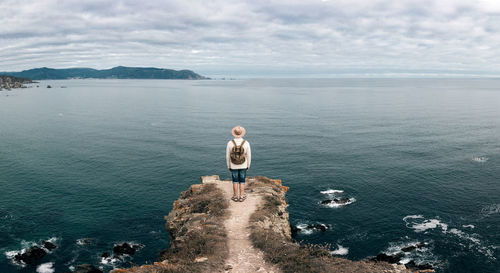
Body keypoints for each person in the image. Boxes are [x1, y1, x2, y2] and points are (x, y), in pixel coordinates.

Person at [226, 126, 251, 202]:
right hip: (243, 164)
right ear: (242, 134)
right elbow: (248, 155)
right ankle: (241, 196)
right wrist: (248, 165)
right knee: (242, 181)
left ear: (234, 134)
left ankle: (235, 196)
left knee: (235, 181)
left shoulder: (230, 143)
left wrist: (228, 166)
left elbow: (227, 156)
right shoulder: (246, 143)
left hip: (233, 165)